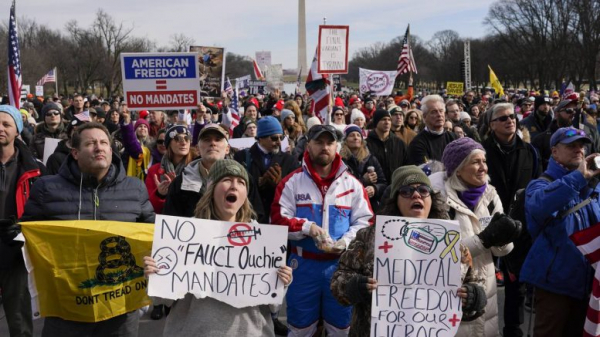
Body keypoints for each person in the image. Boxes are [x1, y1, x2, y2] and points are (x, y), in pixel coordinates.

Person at [19, 122, 155, 336]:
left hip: (120, 311)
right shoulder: (46, 188)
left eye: (103, 143)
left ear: (111, 150)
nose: (99, 148)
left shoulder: (135, 188)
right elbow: (28, 239)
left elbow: (152, 234)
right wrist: (16, 236)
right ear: (75, 152)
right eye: (90, 143)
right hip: (66, 309)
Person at [331, 166, 487, 336]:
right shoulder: (369, 238)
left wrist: (474, 297)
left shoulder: (452, 245)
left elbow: (475, 285)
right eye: (406, 191)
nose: (416, 194)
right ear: (395, 201)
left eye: (423, 190)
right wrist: (354, 287)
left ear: (431, 199)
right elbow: (339, 281)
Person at [144, 159, 292, 336]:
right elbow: (162, 299)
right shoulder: (183, 235)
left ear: (246, 193)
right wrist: (154, 274)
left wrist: (282, 282)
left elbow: (273, 305)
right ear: (211, 189)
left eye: (241, 182)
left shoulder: (263, 240)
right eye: (227, 180)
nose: (234, 186)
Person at [271, 124, 374, 336]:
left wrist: (345, 242)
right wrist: (308, 228)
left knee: (341, 329)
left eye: (329, 142)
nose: (324, 147)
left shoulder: (353, 185)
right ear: (308, 145)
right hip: (302, 266)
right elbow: (277, 220)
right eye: (318, 142)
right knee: (300, 329)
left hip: (341, 267)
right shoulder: (292, 182)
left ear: (337, 146)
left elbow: (366, 222)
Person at [430, 137, 521, 336]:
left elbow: (500, 250)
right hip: (453, 289)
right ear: (458, 169)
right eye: (475, 162)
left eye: (484, 161)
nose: (483, 167)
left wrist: (506, 236)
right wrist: (484, 240)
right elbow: (438, 253)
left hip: (486, 286)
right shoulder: (437, 199)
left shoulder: (489, 194)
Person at [521, 127, 600, 337]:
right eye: (571, 146)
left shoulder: (593, 186)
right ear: (554, 152)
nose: (579, 150)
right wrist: (579, 177)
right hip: (555, 284)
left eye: (582, 146)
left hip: (589, 282)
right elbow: (540, 206)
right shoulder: (540, 184)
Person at [482, 103, 541, 337]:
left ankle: (513, 329)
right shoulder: (482, 151)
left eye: (513, 116)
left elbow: (537, 186)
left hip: (520, 226)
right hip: (488, 224)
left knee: (516, 283)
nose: (510, 120)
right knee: (485, 281)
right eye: (503, 118)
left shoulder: (530, 151)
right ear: (492, 125)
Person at [0, 105, 46, 337]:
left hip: (17, 250)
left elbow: (46, 210)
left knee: (19, 321)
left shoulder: (35, 168)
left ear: (17, 130)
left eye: (6, 124)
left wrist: (24, 228)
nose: (0, 128)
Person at [233, 116, 298, 224]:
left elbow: (295, 191)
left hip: (278, 218)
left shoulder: (290, 160)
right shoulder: (242, 157)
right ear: (261, 138)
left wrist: (279, 185)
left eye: (281, 138)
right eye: (274, 138)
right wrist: (256, 184)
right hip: (250, 218)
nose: (278, 142)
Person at [145, 125, 193, 214]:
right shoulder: (154, 171)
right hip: (164, 223)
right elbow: (149, 207)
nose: (183, 143)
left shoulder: (196, 168)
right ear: (168, 144)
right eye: (177, 139)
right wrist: (160, 194)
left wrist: (177, 189)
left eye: (187, 138)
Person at [340, 124, 387, 212]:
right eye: (351, 135)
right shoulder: (341, 161)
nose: (356, 138)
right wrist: (363, 180)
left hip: (369, 207)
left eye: (358, 135)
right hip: (347, 207)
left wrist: (374, 189)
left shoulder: (371, 159)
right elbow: (340, 187)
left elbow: (383, 184)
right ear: (345, 140)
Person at [408, 95, 457, 165]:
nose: (439, 115)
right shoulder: (417, 142)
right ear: (424, 117)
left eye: (441, 111)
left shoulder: (454, 138)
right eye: (434, 112)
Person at [366, 109, 408, 183]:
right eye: (383, 119)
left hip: (396, 186)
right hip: (375, 188)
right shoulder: (366, 144)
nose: (387, 122)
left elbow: (407, 164)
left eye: (389, 119)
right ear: (376, 122)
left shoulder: (399, 143)